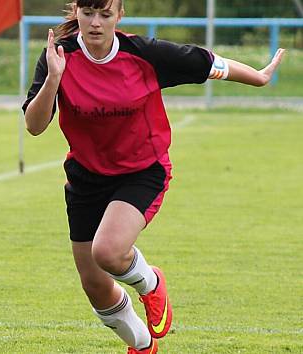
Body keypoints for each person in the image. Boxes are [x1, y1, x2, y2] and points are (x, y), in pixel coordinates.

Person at [22, 0, 285, 353]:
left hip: (141, 170)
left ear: (120, 16)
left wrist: (259, 77)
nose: (96, 23)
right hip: (86, 177)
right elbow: (35, 126)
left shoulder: (144, 54)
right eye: (88, 13)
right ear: (77, 13)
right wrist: (54, 78)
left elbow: (208, 64)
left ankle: (150, 281)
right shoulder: (58, 56)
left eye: (105, 14)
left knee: (109, 252)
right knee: (95, 285)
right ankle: (143, 346)